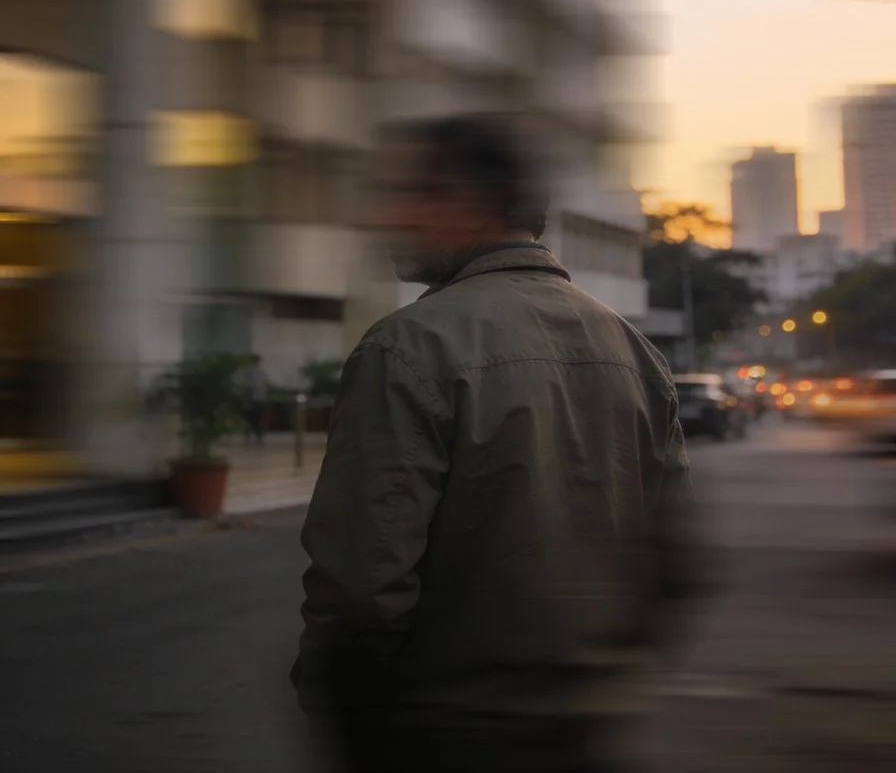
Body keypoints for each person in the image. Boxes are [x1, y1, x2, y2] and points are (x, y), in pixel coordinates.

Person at [292, 114, 697, 773]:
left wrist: (350, 717)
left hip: (448, 733)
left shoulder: (409, 345)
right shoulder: (634, 351)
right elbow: (675, 569)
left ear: (471, 203)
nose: (389, 216)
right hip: (585, 730)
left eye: (411, 194)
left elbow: (363, 586)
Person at [237, 354, 268, 444]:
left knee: (250, 419)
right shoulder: (261, 373)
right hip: (258, 399)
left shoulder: (248, 372)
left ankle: (252, 436)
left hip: (252, 400)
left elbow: (245, 386)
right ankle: (257, 436)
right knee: (255, 418)